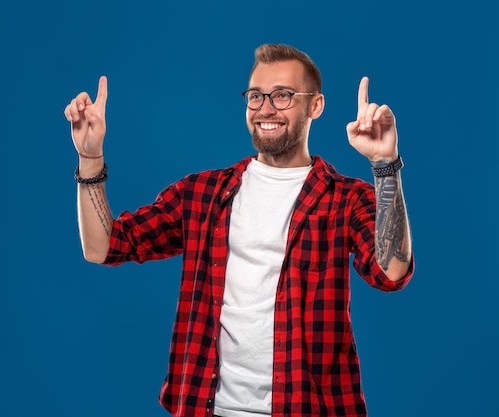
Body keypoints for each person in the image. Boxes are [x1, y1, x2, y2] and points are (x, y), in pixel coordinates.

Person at [63, 44, 414, 417]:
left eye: (283, 96)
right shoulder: (202, 194)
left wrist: (384, 163)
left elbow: (390, 273)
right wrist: (90, 158)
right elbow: (104, 247)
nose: (266, 108)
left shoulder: (344, 199)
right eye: (256, 96)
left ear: (315, 106)